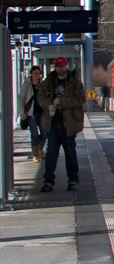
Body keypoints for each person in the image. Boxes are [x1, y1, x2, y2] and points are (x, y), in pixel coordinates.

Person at [37, 57, 85, 192]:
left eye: (62, 66)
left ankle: (73, 180)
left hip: (68, 124)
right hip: (52, 123)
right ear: (54, 67)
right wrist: (48, 106)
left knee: (70, 153)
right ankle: (48, 181)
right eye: (58, 67)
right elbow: (40, 96)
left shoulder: (75, 82)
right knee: (51, 153)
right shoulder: (49, 81)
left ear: (66, 66)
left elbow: (81, 99)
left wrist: (62, 102)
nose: (60, 69)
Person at [16, 66, 46, 162]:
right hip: (30, 113)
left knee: (45, 133)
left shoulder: (42, 84)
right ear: (31, 74)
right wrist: (21, 113)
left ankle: (40, 149)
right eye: (35, 73)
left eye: (38, 73)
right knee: (34, 134)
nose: (37, 75)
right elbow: (21, 99)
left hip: (42, 112)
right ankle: (35, 155)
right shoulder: (26, 85)